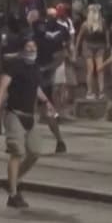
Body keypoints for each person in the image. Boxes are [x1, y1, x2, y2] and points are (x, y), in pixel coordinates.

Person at [0, 36, 57, 209]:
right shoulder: (15, 66)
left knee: (35, 151)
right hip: (14, 115)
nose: (32, 50)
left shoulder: (35, 68)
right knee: (17, 152)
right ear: (22, 49)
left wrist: (47, 102)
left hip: (29, 116)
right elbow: (3, 86)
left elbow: (36, 88)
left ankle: (13, 180)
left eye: (34, 47)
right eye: (28, 47)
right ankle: (13, 194)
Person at [29, 9, 68, 153]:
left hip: (31, 78)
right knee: (47, 110)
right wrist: (48, 69)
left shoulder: (29, 39)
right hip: (44, 79)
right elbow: (61, 57)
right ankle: (59, 140)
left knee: (26, 110)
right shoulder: (49, 39)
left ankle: (23, 141)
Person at [76, 4, 109, 99]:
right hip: (88, 46)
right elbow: (79, 37)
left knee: (100, 68)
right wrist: (77, 49)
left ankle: (101, 91)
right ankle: (90, 92)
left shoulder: (102, 22)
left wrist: (108, 43)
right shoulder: (85, 24)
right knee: (90, 69)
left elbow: (106, 32)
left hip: (100, 45)